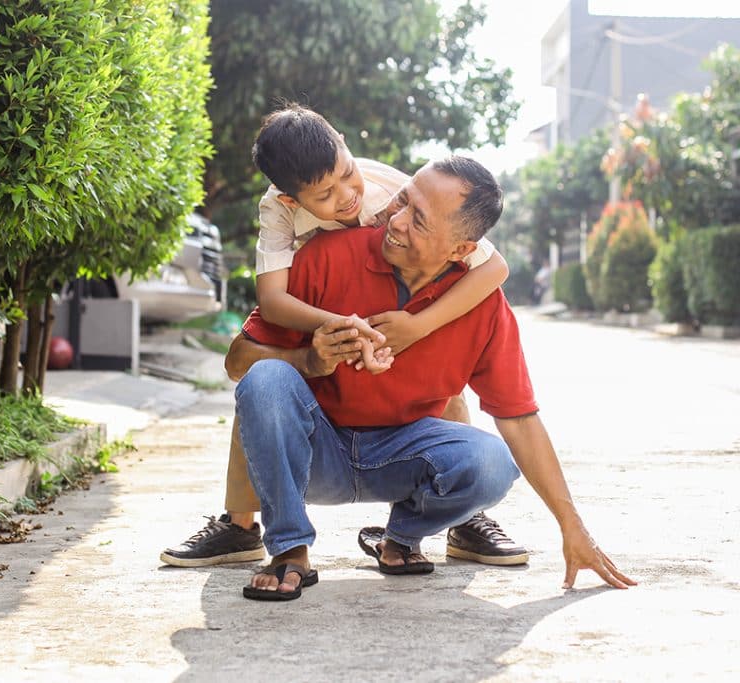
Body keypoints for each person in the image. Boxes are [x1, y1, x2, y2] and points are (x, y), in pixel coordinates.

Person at [227, 155, 636, 600]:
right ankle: (289, 549)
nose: (396, 222)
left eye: (418, 221)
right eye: (402, 201)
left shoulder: (482, 306)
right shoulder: (328, 256)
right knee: (266, 379)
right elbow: (238, 362)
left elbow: (519, 418)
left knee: (491, 462)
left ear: (461, 250)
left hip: (404, 458)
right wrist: (309, 360)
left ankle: (400, 537)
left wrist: (572, 527)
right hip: (315, 454)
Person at [161, 105, 527, 568]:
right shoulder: (281, 214)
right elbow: (272, 303)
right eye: (326, 195)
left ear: (342, 140)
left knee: (445, 379)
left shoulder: (392, 190)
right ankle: (241, 525)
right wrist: (337, 326)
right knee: (265, 380)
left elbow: (494, 267)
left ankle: (462, 516)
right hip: (323, 330)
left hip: (403, 364)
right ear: (293, 200)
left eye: (346, 175)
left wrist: (418, 326)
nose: (348, 198)